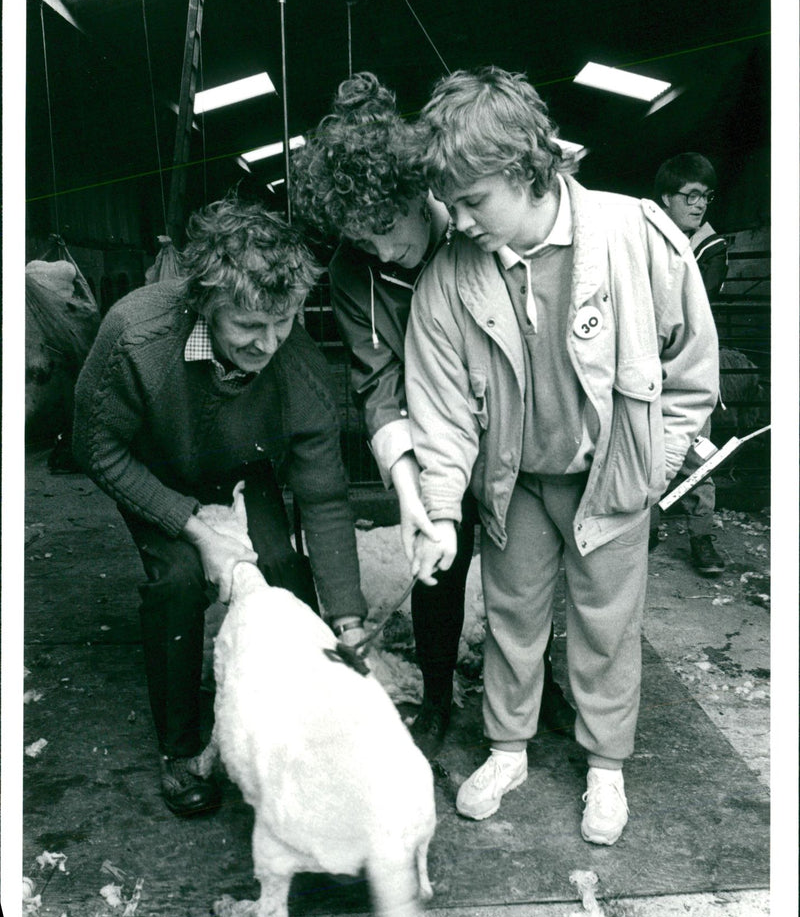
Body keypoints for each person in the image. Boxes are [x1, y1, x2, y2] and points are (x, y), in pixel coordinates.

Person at [404, 67, 719, 844]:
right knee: (512, 618)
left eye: (473, 200)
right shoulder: (451, 275)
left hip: (609, 478)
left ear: (524, 167)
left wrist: (654, 467)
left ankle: (605, 765)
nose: (459, 219)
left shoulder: (635, 235)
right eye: (451, 202)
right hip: (517, 482)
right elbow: (441, 409)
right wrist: (442, 512)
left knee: (607, 623)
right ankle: (507, 749)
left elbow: (690, 368)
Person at [290, 72, 575, 759]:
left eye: (387, 228)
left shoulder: (481, 226)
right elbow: (377, 381)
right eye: (363, 242)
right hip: (432, 441)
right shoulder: (352, 274)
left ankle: (550, 686)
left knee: (535, 563)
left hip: (513, 430)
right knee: (439, 567)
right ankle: (441, 696)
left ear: (423, 194)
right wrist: (415, 495)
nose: (383, 251)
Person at [73, 195, 368, 817]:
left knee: (283, 570)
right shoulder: (136, 337)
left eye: (283, 322)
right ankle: (181, 750)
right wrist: (192, 527)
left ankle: (295, 720)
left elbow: (323, 495)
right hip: (153, 464)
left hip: (240, 464)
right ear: (207, 303)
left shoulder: (295, 363)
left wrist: (347, 618)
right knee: (179, 579)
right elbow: (95, 447)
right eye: (249, 327)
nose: (269, 344)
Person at [651, 153, 728, 575]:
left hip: (691, 370)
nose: (699, 204)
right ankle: (646, 528)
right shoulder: (647, 240)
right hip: (648, 368)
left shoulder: (710, 248)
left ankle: (701, 537)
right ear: (667, 197)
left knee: (699, 455)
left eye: (706, 196)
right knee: (645, 449)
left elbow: (694, 309)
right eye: (691, 195)